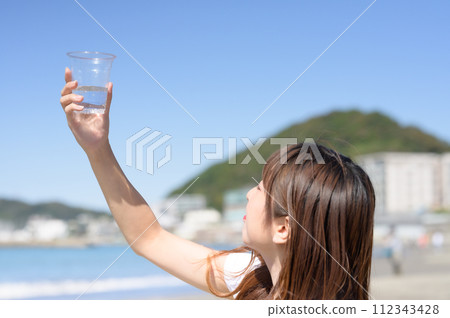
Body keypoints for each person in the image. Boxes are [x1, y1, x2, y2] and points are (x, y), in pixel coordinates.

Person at [59, 68, 376, 300]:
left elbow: (149, 240)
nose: (250, 194)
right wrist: (98, 148)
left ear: (284, 228)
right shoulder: (252, 277)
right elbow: (149, 238)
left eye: (262, 188)